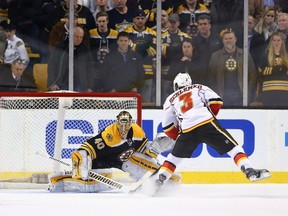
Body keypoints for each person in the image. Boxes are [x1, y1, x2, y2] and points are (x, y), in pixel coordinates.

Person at [144, 72, 271, 196]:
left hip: (187, 129)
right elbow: (216, 102)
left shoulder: (170, 99)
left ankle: (158, 182)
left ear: (176, 86)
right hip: (206, 123)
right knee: (233, 148)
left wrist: (177, 135)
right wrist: (208, 116)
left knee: (173, 159)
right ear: (190, 83)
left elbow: (167, 125)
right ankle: (248, 170)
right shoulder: (200, 87)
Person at [48, 110, 181, 192]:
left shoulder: (137, 131)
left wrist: (154, 148)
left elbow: (144, 151)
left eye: (126, 126)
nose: (123, 130)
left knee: (143, 162)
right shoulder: (109, 135)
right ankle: (59, 181)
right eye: (121, 126)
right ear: (116, 123)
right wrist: (82, 159)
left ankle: (165, 179)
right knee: (90, 186)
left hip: (122, 160)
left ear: (131, 124)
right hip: (101, 161)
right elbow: (88, 147)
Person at [208, 28, 257, 107]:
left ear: (235, 39)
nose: (228, 40)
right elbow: (211, 77)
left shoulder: (244, 54)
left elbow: (252, 74)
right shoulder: (215, 56)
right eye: (226, 39)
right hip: (222, 94)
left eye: (230, 38)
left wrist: (248, 90)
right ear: (223, 40)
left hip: (240, 93)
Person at [47, 26, 94, 92]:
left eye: (81, 37)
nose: (79, 39)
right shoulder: (60, 47)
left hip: (80, 85)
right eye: (77, 36)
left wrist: (90, 87)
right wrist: (52, 84)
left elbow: (90, 69)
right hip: (61, 84)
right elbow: (52, 66)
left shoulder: (85, 49)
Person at [124, 9, 157, 104]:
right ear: (133, 19)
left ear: (145, 20)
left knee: (146, 101)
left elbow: (154, 51)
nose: (140, 20)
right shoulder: (127, 32)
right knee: (131, 103)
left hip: (148, 71)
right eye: (138, 18)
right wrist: (145, 47)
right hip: (131, 72)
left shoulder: (153, 33)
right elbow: (127, 50)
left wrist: (136, 48)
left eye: (142, 18)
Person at [256, 31, 288, 107]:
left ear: (282, 41)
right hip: (268, 90)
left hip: (284, 90)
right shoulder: (265, 55)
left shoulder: (286, 56)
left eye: (278, 40)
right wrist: (275, 70)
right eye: (274, 40)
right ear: (271, 42)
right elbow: (260, 71)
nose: (276, 42)